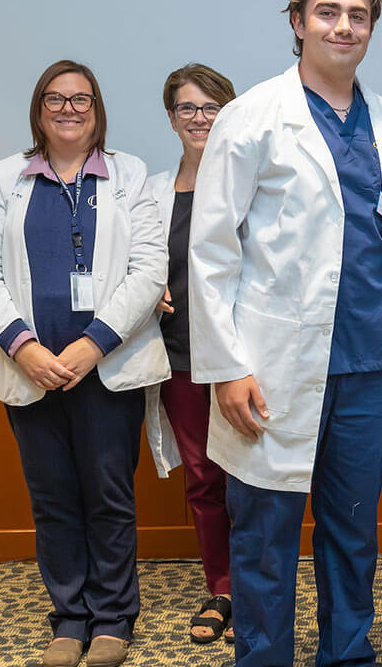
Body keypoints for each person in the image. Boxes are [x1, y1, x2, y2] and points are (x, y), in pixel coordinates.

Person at [188, 0, 382, 667]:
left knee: (353, 536)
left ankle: (346, 654)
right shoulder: (251, 116)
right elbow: (211, 251)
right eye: (327, 12)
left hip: (371, 363)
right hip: (272, 367)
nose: (343, 26)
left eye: (357, 15)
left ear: (372, 28)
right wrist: (226, 369)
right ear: (297, 22)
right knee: (264, 537)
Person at [0, 60, 167, 667]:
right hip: (32, 369)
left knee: (107, 496)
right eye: (55, 99)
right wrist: (23, 345)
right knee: (52, 498)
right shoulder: (6, 177)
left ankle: (111, 619)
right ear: (38, 109)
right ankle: (68, 618)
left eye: (80, 99)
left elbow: (148, 269)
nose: (68, 108)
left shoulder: (128, 174)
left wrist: (92, 342)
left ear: (97, 108)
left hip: (105, 367)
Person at [142, 63, 238, 644]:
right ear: (171, 117)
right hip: (180, 355)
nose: (200, 119)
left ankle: (259, 590)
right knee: (203, 479)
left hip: (245, 357)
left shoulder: (252, 179)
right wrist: (149, 286)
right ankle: (223, 589)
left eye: (211, 108)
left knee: (252, 479)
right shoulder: (152, 190)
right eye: (187, 109)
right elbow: (131, 264)